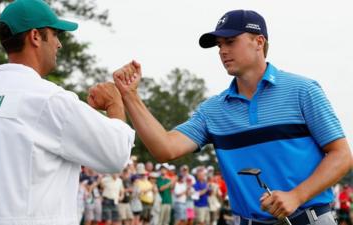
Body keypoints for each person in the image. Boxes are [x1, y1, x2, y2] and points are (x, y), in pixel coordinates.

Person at [110, 9, 352, 225]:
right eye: (219, 45)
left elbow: (342, 155)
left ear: (259, 42)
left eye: (230, 42)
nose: (223, 51)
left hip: (309, 219)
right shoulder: (212, 110)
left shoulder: (302, 90)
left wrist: (296, 195)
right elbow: (165, 148)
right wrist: (130, 96)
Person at [0, 0, 135, 225]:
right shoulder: (49, 100)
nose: (59, 44)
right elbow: (115, 153)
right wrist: (114, 103)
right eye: (56, 34)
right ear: (35, 36)